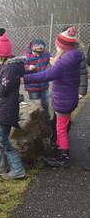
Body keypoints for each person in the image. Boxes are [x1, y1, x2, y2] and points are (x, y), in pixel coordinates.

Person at [24, 27, 83, 167]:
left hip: (64, 100)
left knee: (61, 128)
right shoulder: (74, 56)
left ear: (62, 46)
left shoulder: (64, 62)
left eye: (57, 44)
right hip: (69, 98)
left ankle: (63, 156)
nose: (55, 46)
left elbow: (46, 75)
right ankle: (58, 147)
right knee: (62, 125)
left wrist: (24, 79)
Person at [0, 28, 26, 180]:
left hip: (6, 110)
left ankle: (18, 169)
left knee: (2, 139)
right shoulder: (6, 66)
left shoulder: (9, 68)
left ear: (1, 54)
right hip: (2, 109)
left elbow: (2, 90)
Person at [22, 39, 50, 119]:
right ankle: (37, 121)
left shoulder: (46, 54)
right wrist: (28, 68)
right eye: (36, 53)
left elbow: (50, 60)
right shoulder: (26, 56)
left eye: (40, 53)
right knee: (36, 104)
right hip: (32, 86)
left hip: (44, 84)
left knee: (45, 103)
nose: (38, 55)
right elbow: (20, 67)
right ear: (31, 49)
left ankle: (46, 118)